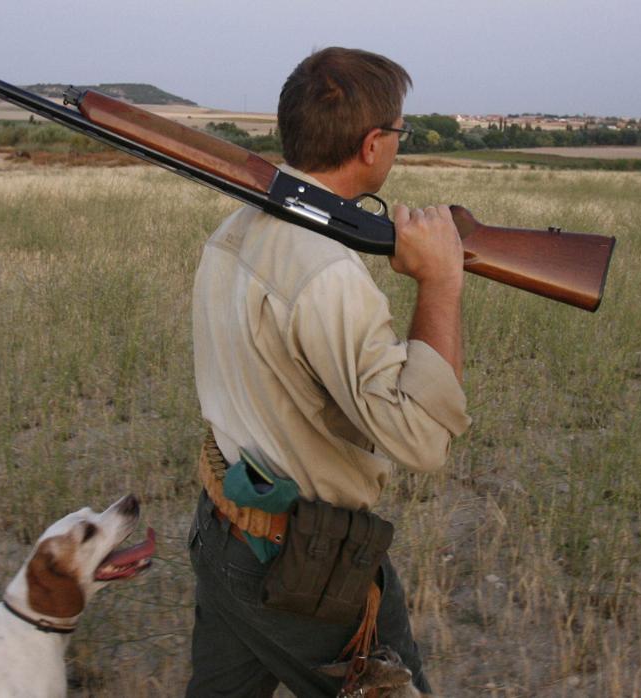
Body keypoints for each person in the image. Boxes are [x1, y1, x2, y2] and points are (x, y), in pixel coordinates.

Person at [186, 46, 471, 697]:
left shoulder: (234, 228)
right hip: (307, 568)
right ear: (373, 144)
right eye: (399, 131)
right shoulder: (327, 272)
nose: (398, 143)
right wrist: (441, 281)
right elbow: (421, 439)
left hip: (225, 526)